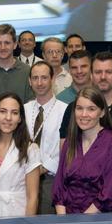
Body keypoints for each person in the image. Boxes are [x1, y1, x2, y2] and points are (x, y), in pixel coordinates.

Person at [52, 88, 112, 215]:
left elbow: (109, 193)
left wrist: (82, 223)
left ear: (102, 112)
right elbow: (59, 186)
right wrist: (63, 221)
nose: (84, 114)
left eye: (91, 109)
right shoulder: (70, 143)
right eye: (79, 108)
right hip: (65, 222)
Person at [0, 94, 40, 218]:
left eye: (14, 113)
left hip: (17, 218)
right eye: (3, 111)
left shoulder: (30, 149)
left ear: (20, 118)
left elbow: (33, 197)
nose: (8, 117)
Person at [24, 60, 68, 214]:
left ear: (52, 79)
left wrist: (42, 168)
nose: (39, 82)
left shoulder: (65, 111)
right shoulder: (23, 110)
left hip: (50, 179)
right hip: (23, 179)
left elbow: (65, 148)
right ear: (30, 81)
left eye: (44, 77)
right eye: (35, 78)